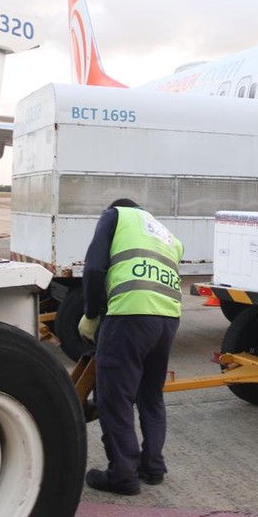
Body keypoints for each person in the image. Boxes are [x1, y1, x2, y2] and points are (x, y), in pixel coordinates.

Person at [78, 198, 184, 495]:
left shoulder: (114, 216)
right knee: (151, 396)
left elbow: (95, 269)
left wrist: (90, 314)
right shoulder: (166, 234)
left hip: (128, 315)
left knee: (115, 398)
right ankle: (153, 467)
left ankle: (122, 474)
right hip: (168, 319)